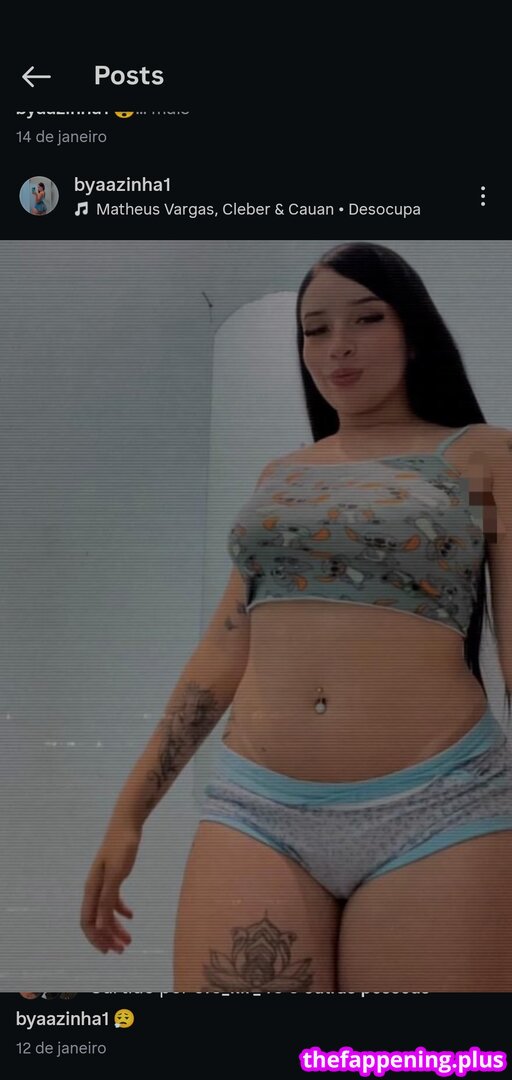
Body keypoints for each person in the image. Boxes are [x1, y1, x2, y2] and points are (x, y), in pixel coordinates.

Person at [81, 242, 512, 991]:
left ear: (414, 332)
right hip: (257, 809)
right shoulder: (281, 477)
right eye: (315, 329)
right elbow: (223, 650)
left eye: (366, 319)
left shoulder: (482, 460)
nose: (337, 345)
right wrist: (129, 813)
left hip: (443, 807)